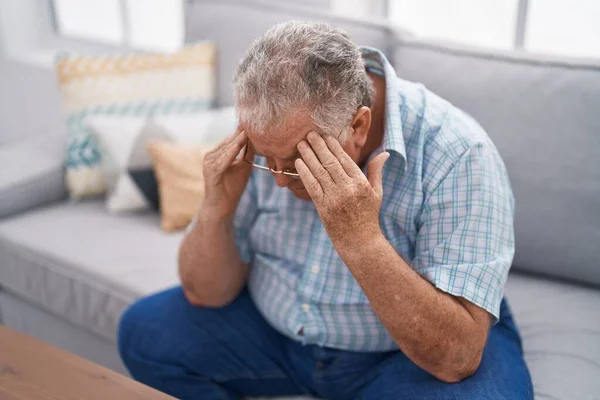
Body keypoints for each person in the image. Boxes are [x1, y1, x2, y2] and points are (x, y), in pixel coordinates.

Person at [118, 21, 533, 400]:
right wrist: (216, 208)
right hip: (274, 332)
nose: (278, 179)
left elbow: (456, 358)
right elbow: (205, 293)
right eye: (267, 158)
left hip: (400, 356)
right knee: (143, 333)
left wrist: (361, 240)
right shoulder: (273, 127)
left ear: (358, 126)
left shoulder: (460, 153)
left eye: (298, 161)